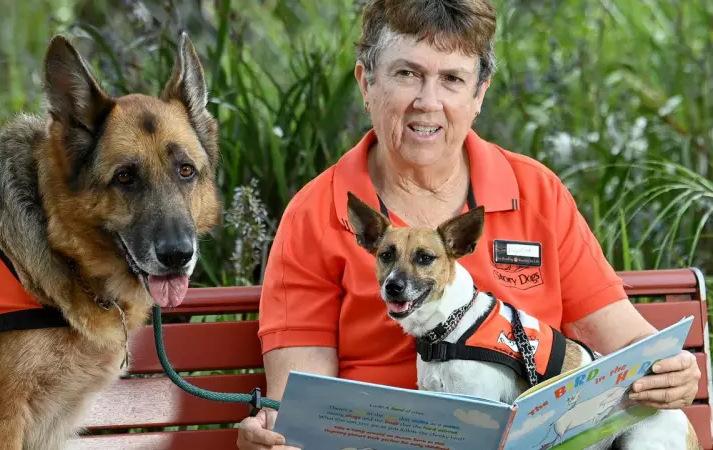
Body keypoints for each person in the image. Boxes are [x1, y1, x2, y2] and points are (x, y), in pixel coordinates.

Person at [235, 0, 703, 448]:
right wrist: (276, 434)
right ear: (366, 81)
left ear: (479, 94)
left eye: (453, 79)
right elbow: (300, 404)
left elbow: (628, 342)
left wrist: (671, 372)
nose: (428, 101)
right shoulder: (316, 214)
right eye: (407, 73)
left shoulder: (535, 191)